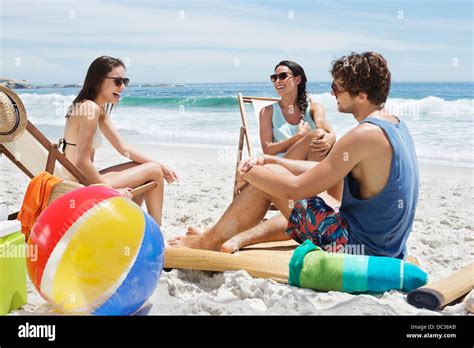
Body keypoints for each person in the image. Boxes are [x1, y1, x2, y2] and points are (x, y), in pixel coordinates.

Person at [171, 52, 419, 259]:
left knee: (273, 182)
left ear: (362, 95)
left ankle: (207, 242)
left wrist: (249, 172)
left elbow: (294, 189)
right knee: (278, 179)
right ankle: (233, 236)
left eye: (337, 88)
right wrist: (269, 160)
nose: (333, 93)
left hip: (356, 248)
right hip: (387, 246)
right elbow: (319, 172)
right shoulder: (395, 125)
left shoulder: (362, 135)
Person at [60, 56, 178, 226]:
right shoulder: (90, 109)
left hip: (84, 180)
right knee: (153, 171)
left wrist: (162, 164)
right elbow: (82, 161)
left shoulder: (96, 109)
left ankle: (132, 224)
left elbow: (123, 148)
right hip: (78, 186)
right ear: (99, 80)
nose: (122, 87)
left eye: (125, 81)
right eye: (117, 81)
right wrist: (110, 192)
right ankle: (155, 230)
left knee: (152, 167)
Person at [260, 60, 336, 161]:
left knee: (319, 137)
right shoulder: (267, 112)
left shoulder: (314, 108)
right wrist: (298, 137)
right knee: (316, 136)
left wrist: (332, 137)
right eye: (274, 78)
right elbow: (267, 150)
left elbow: (324, 129)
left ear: (297, 80)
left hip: (310, 164)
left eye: (283, 76)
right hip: (283, 165)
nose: (277, 81)